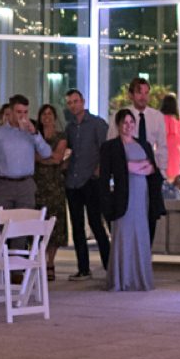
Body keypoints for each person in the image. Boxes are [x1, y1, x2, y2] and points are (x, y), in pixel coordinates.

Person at [100, 109, 159, 291]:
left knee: (140, 234)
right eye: (124, 123)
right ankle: (122, 279)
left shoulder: (144, 144)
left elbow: (151, 168)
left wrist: (134, 167)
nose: (128, 126)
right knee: (123, 235)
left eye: (131, 122)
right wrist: (130, 167)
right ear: (118, 125)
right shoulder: (110, 146)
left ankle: (139, 278)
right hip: (122, 197)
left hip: (142, 197)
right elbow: (110, 173)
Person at [61, 89, 111, 279]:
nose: (73, 105)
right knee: (77, 226)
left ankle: (109, 264)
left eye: (76, 101)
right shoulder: (70, 128)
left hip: (91, 180)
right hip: (73, 182)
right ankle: (83, 268)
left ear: (83, 101)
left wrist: (99, 170)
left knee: (96, 223)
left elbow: (105, 149)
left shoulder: (97, 124)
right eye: (70, 103)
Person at [0, 94, 51, 215]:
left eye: (25, 112)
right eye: (19, 112)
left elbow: (47, 153)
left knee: (24, 226)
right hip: (3, 184)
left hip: (26, 184)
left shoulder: (32, 132)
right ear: (10, 112)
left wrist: (35, 134)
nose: (23, 116)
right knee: (3, 227)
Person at [31, 104, 71, 271]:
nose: (47, 117)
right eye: (43, 114)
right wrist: (47, 158)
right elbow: (32, 156)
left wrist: (41, 158)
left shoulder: (61, 136)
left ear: (55, 117)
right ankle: (38, 259)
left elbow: (57, 158)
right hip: (37, 184)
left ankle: (50, 263)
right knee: (37, 221)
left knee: (54, 222)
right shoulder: (34, 135)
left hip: (54, 184)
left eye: (50, 114)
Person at [159, 92, 180, 194]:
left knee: (166, 177)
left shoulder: (162, 119)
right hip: (178, 151)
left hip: (166, 151)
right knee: (176, 176)